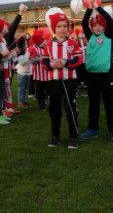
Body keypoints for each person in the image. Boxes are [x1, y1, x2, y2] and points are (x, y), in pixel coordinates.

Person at [80, 0, 113, 145]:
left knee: (110, 103)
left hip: (105, 75)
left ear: (104, 27)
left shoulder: (108, 35)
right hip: (91, 75)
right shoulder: (90, 36)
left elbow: (109, 21)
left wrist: (97, 7)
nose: (97, 27)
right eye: (95, 25)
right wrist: (88, 8)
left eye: (100, 25)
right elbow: (83, 22)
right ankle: (93, 129)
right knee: (93, 103)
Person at [41, 12, 83, 149]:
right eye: (59, 26)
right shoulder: (48, 45)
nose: (62, 29)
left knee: (71, 109)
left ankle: (73, 136)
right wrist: (51, 65)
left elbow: (79, 59)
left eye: (65, 26)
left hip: (70, 81)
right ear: (54, 28)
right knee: (54, 110)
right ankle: (55, 136)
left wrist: (66, 62)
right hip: (53, 82)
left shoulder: (72, 43)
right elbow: (43, 61)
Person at [29, 29, 49, 110]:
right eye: (44, 39)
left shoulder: (46, 48)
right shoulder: (34, 49)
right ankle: (41, 106)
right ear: (40, 41)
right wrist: (41, 58)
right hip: (38, 76)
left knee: (48, 89)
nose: (46, 41)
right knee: (40, 91)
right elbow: (32, 60)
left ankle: (47, 100)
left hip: (47, 74)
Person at [14, 36, 32, 108]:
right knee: (21, 89)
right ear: (22, 46)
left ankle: (24, 101)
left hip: (27, 73)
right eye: (25, 44)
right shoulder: (20, 54)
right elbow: (22, 63)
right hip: (22, 74)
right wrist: (28, 58)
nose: (27, 46)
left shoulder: (25, 52)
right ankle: (21, 102)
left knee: (25, 89)